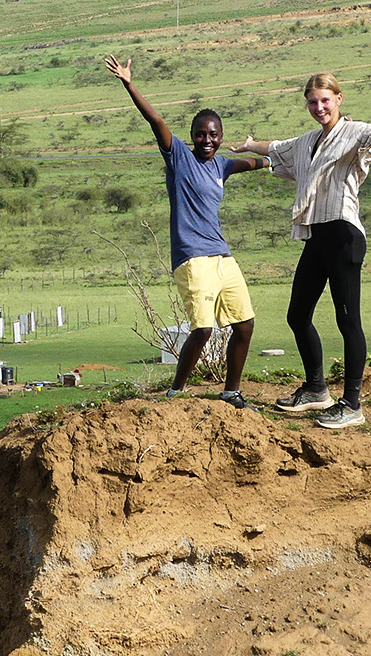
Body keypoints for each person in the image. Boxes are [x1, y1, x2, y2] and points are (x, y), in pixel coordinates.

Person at [231, 72, 371, 428]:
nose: (319, 107)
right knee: (297, 314)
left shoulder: (353, 132)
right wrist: (249, 145)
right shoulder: (307, 140)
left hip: (343, 235)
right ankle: (315, 389)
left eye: (325, 100)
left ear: (339, 99)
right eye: (312, 102)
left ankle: (352, 404)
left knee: (347, 320)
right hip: (316, 236)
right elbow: (276, 148)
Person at [106, 54, 272, 410]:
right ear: (192, 136)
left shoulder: (222, 166)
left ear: (221, 136)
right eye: (201, 134)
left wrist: (278, 158)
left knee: (244, 324)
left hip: (222, 256)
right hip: (192, 257)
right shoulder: (179, 156)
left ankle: (231, 391)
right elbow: (156, 120)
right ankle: (176, 391)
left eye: (213, 134)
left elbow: (256, 163)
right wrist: (129, 83)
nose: (206, 139)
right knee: (203, 329)